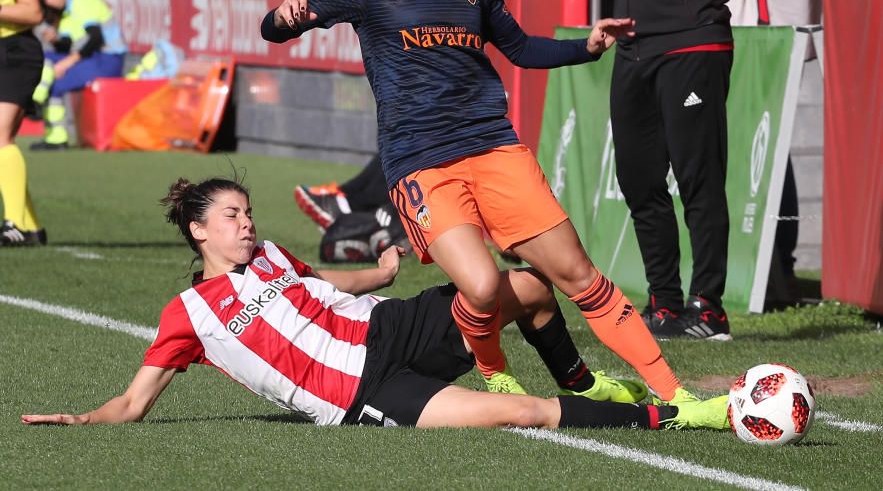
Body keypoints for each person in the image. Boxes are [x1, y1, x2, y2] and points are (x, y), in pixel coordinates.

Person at [263, 0, 703, 409]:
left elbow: (519, 48)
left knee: (579, 275)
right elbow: (277, 27)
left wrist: (586, 47)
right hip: (421, 163)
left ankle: (676, 397)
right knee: (481, 285)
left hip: (495, 148)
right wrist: (285, 14)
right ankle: (493, 366)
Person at [21, 177, 728, 431]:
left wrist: (382, 273)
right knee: (520, 414)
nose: (246, 224)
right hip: (367, 391)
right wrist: (83, 416)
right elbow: (134, 403)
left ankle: (583, 377)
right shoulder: (188, 314)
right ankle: (659, 417)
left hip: (395, 325)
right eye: (231, 216)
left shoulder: (270, 257)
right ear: (199, 230)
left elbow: (324, 286)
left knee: (529, 287)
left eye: (246, 213)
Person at [579, 0, 737, 339]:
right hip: (632, 44)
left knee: (698, 178)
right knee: (640, 179)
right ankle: (666, 304)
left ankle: (709, 306)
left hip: (694, 40)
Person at [718, 0, 822, 294]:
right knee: (773, 156)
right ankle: (781, 267)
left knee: (768, 157)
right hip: (771, 40)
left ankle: (779, 269)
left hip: (767, 42)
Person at [31, 0, 128, 150]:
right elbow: (68, 46)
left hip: (108, 60)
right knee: (42, 57)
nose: (49, 2)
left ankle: (35, 103)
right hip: (93, 58)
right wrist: (56, 40)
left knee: (55, 83)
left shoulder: (82, 0)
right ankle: (55, 138)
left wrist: (67, 63)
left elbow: (96, 38)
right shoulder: (67, 10)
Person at [0, 0, 47, 247]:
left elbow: (32, 13)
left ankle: (13, 224)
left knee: (1, 138)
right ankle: (31, 227)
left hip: (16, 52)